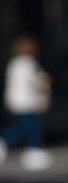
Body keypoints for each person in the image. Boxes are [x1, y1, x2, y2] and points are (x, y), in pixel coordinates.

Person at [0, 36, 52, 170]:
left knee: (29, 125)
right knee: (26, 125)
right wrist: (43, 80)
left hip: (17, 99)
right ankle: (8, 142)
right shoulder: (28, 63)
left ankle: (34, 150)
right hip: (27, 100)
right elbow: (35, 82)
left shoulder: (14, 63)